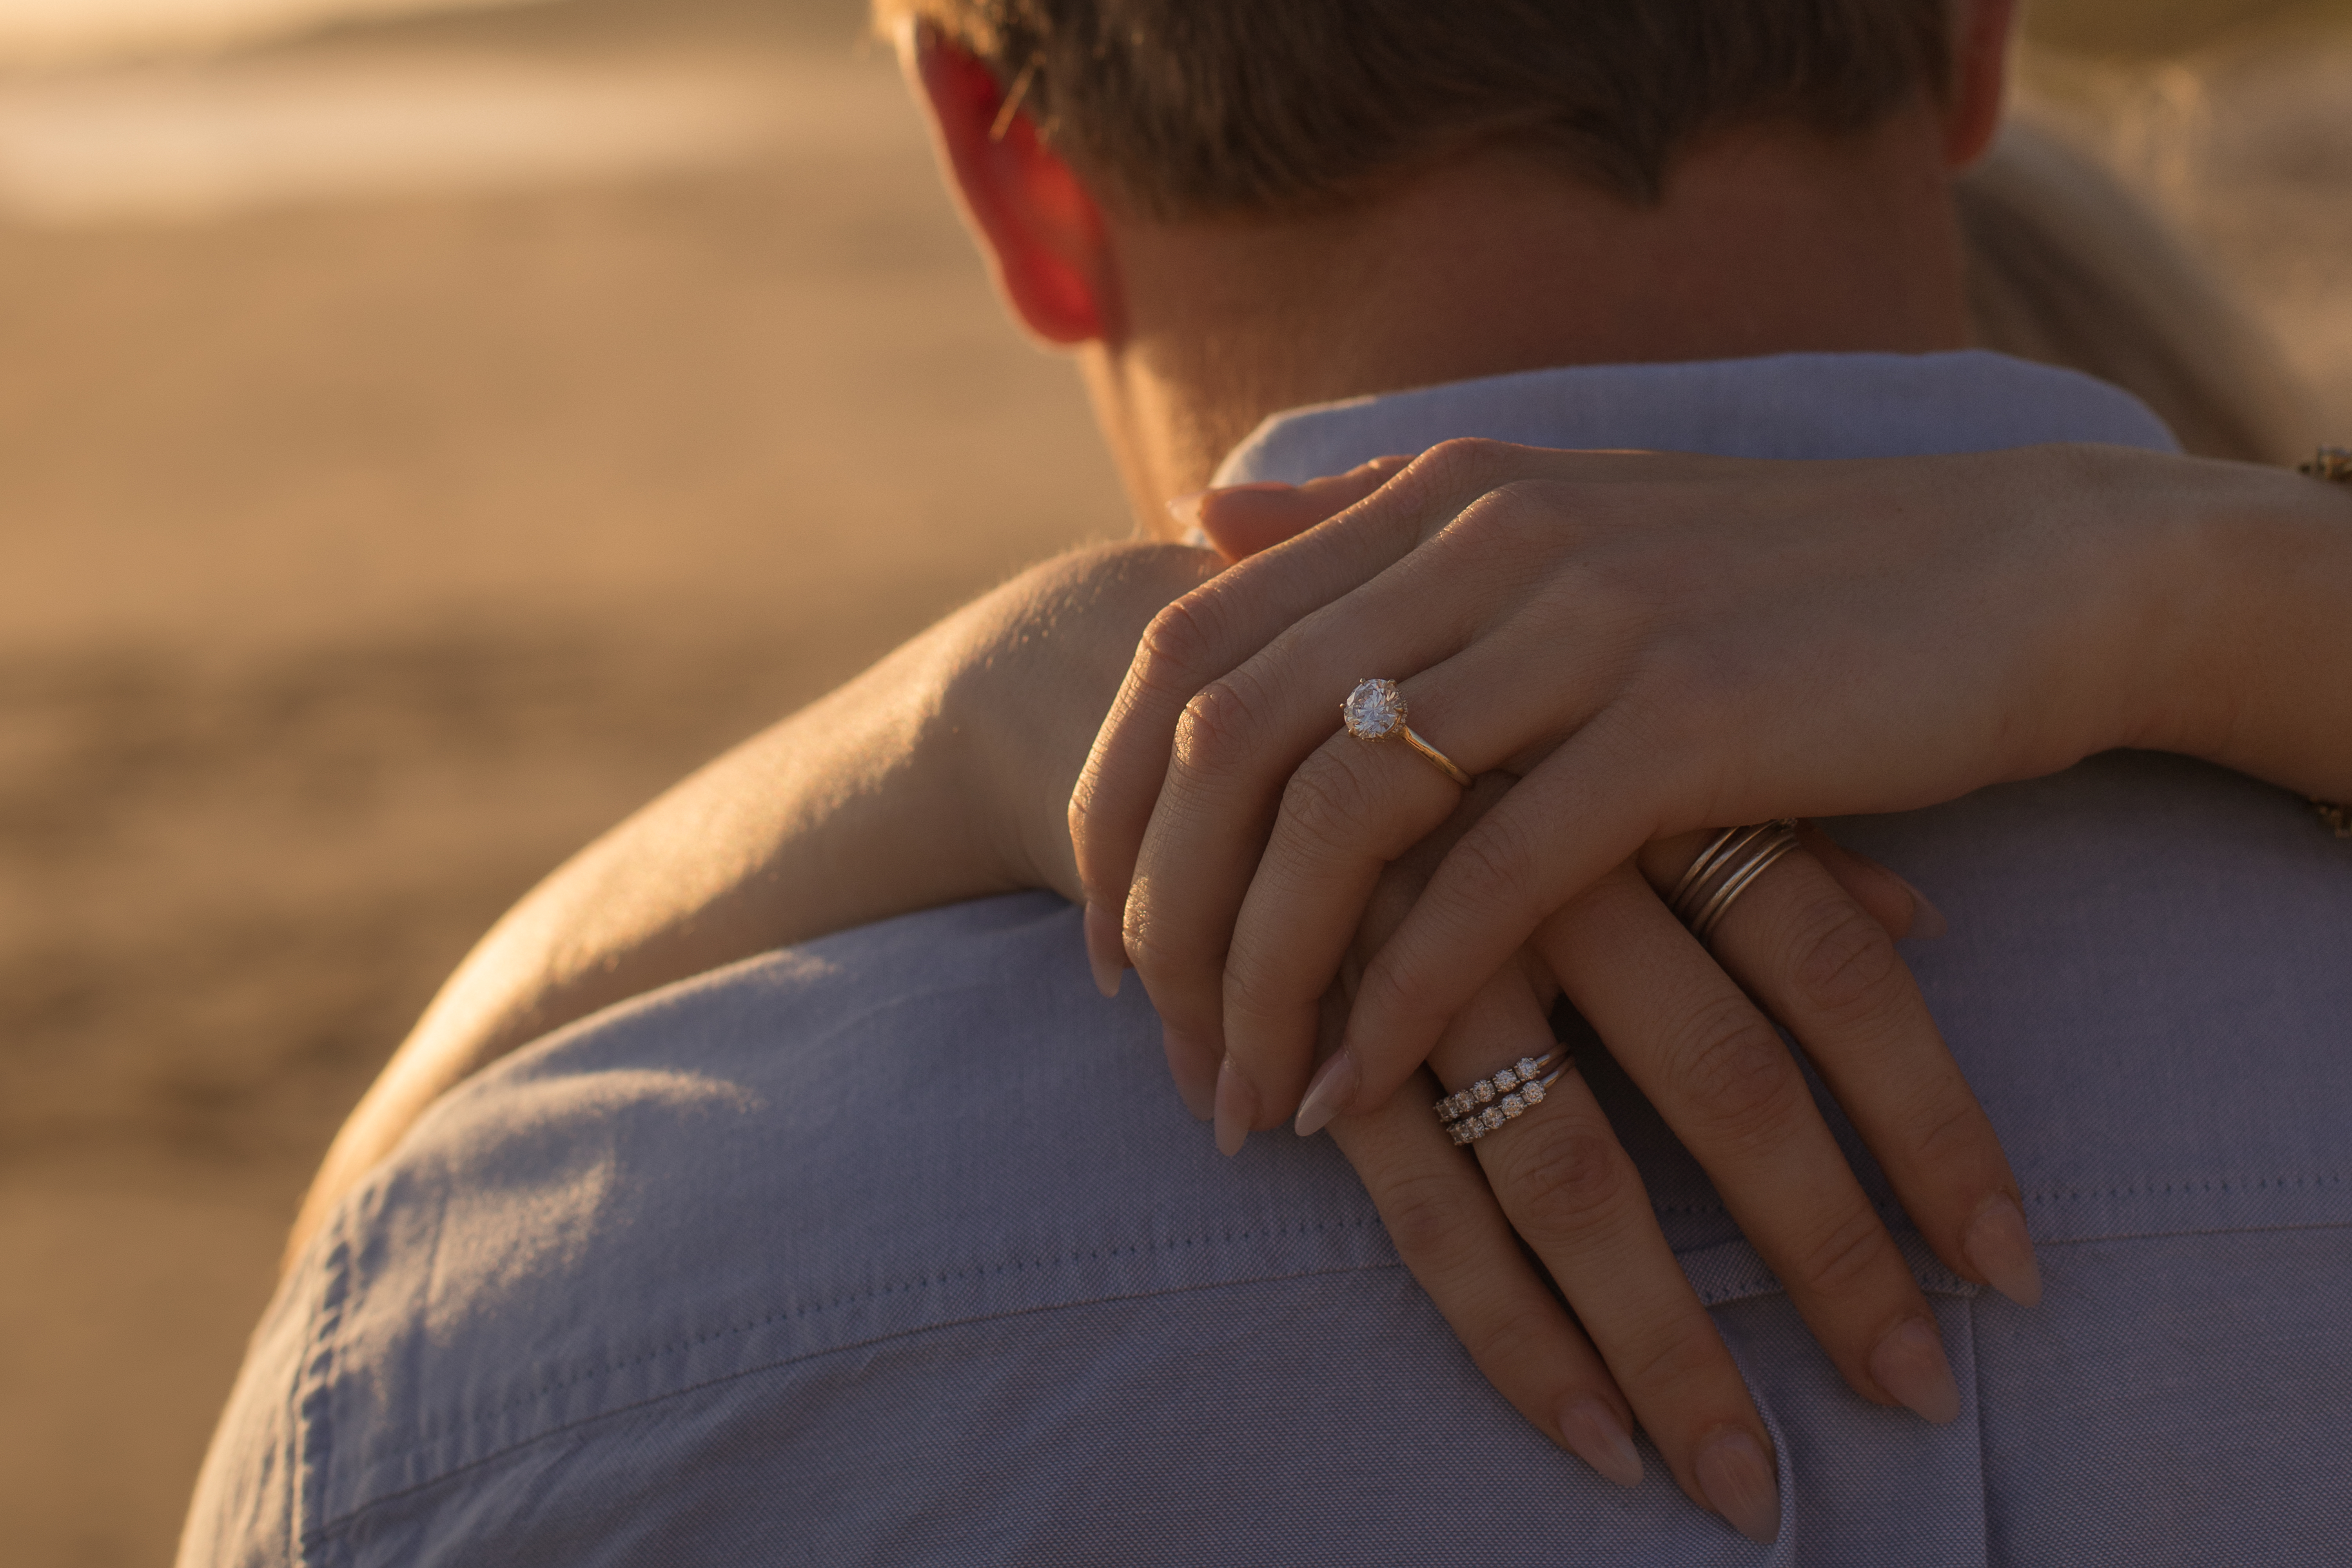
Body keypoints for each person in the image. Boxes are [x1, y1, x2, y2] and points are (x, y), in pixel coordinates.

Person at [180, 1, 2352, 1563]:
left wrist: (931, 730)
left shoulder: (484, 1350)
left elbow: (358, 1291)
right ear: (1967, 36)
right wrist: (2183, 572)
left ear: (1007, 163)